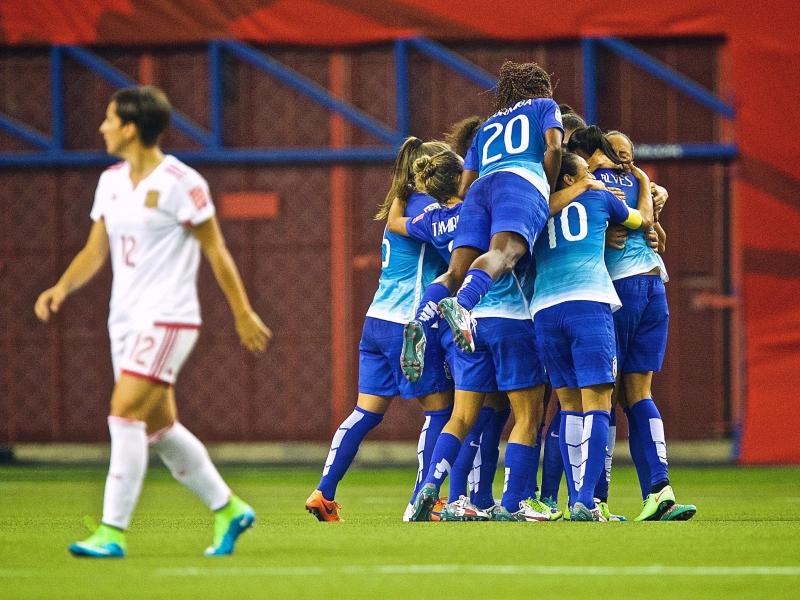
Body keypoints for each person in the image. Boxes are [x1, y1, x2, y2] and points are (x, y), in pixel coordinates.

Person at [34, 86, 271, 558]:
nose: (101, 127)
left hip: (169, 319)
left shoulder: (183, 182)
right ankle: (228, 509)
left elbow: (216, 249)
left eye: (108, 119)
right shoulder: (110, 182)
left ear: (130, 127)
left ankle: (111, 533)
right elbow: (95, 250)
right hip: (123, 321)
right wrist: (61, 286)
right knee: (160, 429)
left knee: (123, 413)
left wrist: (242, 311)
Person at [390, 150, 555, 522]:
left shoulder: (433, 218)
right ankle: (515, 503)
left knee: (463, 416)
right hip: (511, 317)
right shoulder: (486, 206)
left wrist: (401, 186)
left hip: (466, 325)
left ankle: (434, 490)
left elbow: (395, 222)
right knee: (527, 415)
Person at [304, 137, 455, 523]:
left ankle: (324, 491)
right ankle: (426, 500)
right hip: (409, 325)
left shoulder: (399, 204)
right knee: (441, 412)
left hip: (376, 321)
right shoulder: (429, 209)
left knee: (364, 412)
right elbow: (456, 252)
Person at [407, 61, 563, 358]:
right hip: (521, 182)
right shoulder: (545, 105)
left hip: (480, 190)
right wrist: (547, 188)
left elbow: (464, 186)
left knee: (455, 271)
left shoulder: (487, 126)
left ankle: (420, 321)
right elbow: (554, 148)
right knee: (503, 254)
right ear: (541, 88)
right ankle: (462, 304)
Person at [530, 152, 649, 521]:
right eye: (586, 171)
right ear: (569, 179)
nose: (595, 175)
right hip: (589, 304)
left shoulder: (535, 208)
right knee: (598, 401)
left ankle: (572, 501)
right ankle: (585, 500)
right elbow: (640, 220)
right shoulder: (599, 196)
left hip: (545, 309)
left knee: (568, 406)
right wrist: (646, 185)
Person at [598, 130, 696, 522]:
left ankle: (595, 498)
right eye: (621, 153)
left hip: (620, 287)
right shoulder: (639, 182)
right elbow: (654, 231)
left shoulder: (587, 180)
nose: (626, 160)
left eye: (629, 154)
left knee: (598, 392)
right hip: (655, 284)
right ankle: (660, 491)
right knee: (638, 392)